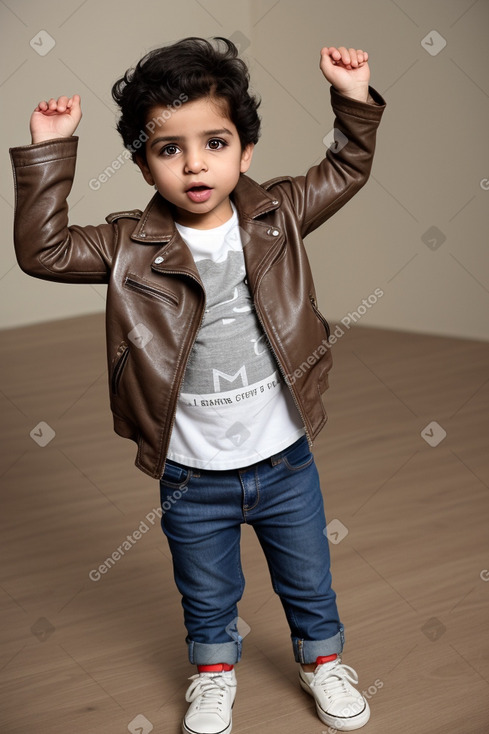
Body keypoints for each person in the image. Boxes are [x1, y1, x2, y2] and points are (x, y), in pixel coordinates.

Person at [10, 37, 386, 734]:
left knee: (307, 581)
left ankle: (323, 663)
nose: (194, 163)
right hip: (191, 474)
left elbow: (347, 167)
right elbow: (44, 250)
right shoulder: (127, 244)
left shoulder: (278, 214)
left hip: (284, 462)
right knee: (206, 592)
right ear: (143, 163)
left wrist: (352, 96)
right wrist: (49, 151)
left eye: (214, 142)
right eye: (168, 149)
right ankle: (213, 676)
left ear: (245, 151)